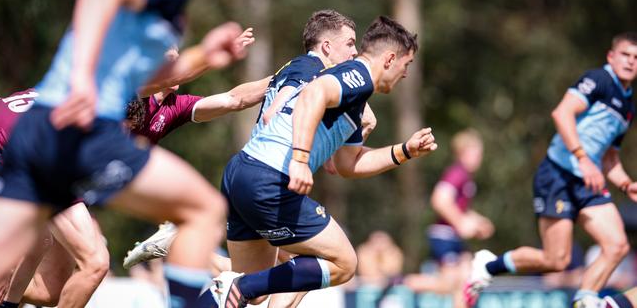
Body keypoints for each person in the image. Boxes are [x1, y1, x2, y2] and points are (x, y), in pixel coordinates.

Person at [0, 0, 246, 308]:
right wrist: (80, 76)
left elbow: (142, 77)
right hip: (81, 131)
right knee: (204, 210)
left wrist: (203, 56)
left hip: (40, 128)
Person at [126, 9, 375, 307]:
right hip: (266, 180)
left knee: (257, 284)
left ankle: (183, 245)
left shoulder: (176, 106)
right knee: (324, 261)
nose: (355, 51)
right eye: (349, 43)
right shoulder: (132, 89)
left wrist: (278, 81)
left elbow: (233, 99)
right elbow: (277, 109)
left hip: (247, 177)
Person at [206, 16, 437, 308]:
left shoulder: (354, 100)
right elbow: (314, 93)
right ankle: (240, 285)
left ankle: (229, 282)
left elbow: (347, 165)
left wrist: (404, 151)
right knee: (344, 262)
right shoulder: (358, 74)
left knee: (252, 291)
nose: (405, 74)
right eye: (407, 64)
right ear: (390, 59)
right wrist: (300, 159)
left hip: (242, 172)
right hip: (270, 176)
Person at [465, 32, 637, 308]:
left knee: (617, 246)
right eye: (625, 54)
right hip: (559, 175)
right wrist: (582, 158)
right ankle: (489, 265)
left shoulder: (628, 105)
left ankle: (586, 300)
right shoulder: (599, 80)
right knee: (557, 260)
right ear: (611, 56)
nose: (630, 62)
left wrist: (627, 184)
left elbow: (609, 158)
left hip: (588, 182)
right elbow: (562, 113)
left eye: (636, 58)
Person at [0, 89, 109, 308]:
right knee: (95, 262)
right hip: (7, 151)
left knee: (49, 289)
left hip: (15, 148)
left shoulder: (65, 86)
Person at [404, 129, 494, 308]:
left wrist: (478, 222)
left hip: (453, 236)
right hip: (444, 235)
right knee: (451, 283)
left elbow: (459, 208)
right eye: (476, 152)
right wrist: (461, 223)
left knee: (468, 281)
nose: (479, 158)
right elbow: (440, 199)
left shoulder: (465, 177)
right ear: (463, 152)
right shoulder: (457, 173)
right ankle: (403, 284)